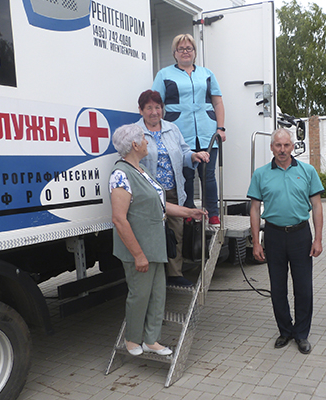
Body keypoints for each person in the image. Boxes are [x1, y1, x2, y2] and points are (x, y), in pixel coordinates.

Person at [109, 124, 207, 357]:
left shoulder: (142, 170)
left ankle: (151, 340)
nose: (147, 142)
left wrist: (189, 212)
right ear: (134, 145)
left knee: (157, 294)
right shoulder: (120, 174)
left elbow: (162, 205)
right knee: (139, 295)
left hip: (154, 245)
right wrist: (138, 255)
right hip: (139, 247)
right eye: (144, 139)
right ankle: (132, 339)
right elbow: (119, 219)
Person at [247, 128, 323, 355]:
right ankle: (285, 330)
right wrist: (256, 242)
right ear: (272, 147)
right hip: (274, 235)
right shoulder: (261, 174)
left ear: (292, 147)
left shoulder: (308, 171)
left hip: (301, 235)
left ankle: (301, 334)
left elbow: (317, 206)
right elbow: (254, 209)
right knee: (278, 288)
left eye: (286, 145)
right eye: (278, 145)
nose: (282, 150)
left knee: (303, 288)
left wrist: (318, 238)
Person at [136, 89, 210, 288]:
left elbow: (184, 151)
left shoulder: (172, 129)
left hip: (173, 191)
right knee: (153, 235)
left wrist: (194, 155)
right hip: (149, 194)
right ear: (141, 110)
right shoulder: (135, 132)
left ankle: (175, 274)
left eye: (158, 107)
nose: (154, 112)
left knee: (176, 233)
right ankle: (154, 277)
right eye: (149, 108)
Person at [152, 33, 225, 226]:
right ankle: (188, 212)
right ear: (175, 53)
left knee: (208, 175)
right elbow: (156, 103)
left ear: (194, 52)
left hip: (207, 133)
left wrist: (220, 128)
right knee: (186, 176)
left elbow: (217, 102)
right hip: (179, 133)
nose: (185, 52)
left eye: (189, 48)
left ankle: (213, 213)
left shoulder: (207, 74)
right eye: (181, 49)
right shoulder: (164, 75)